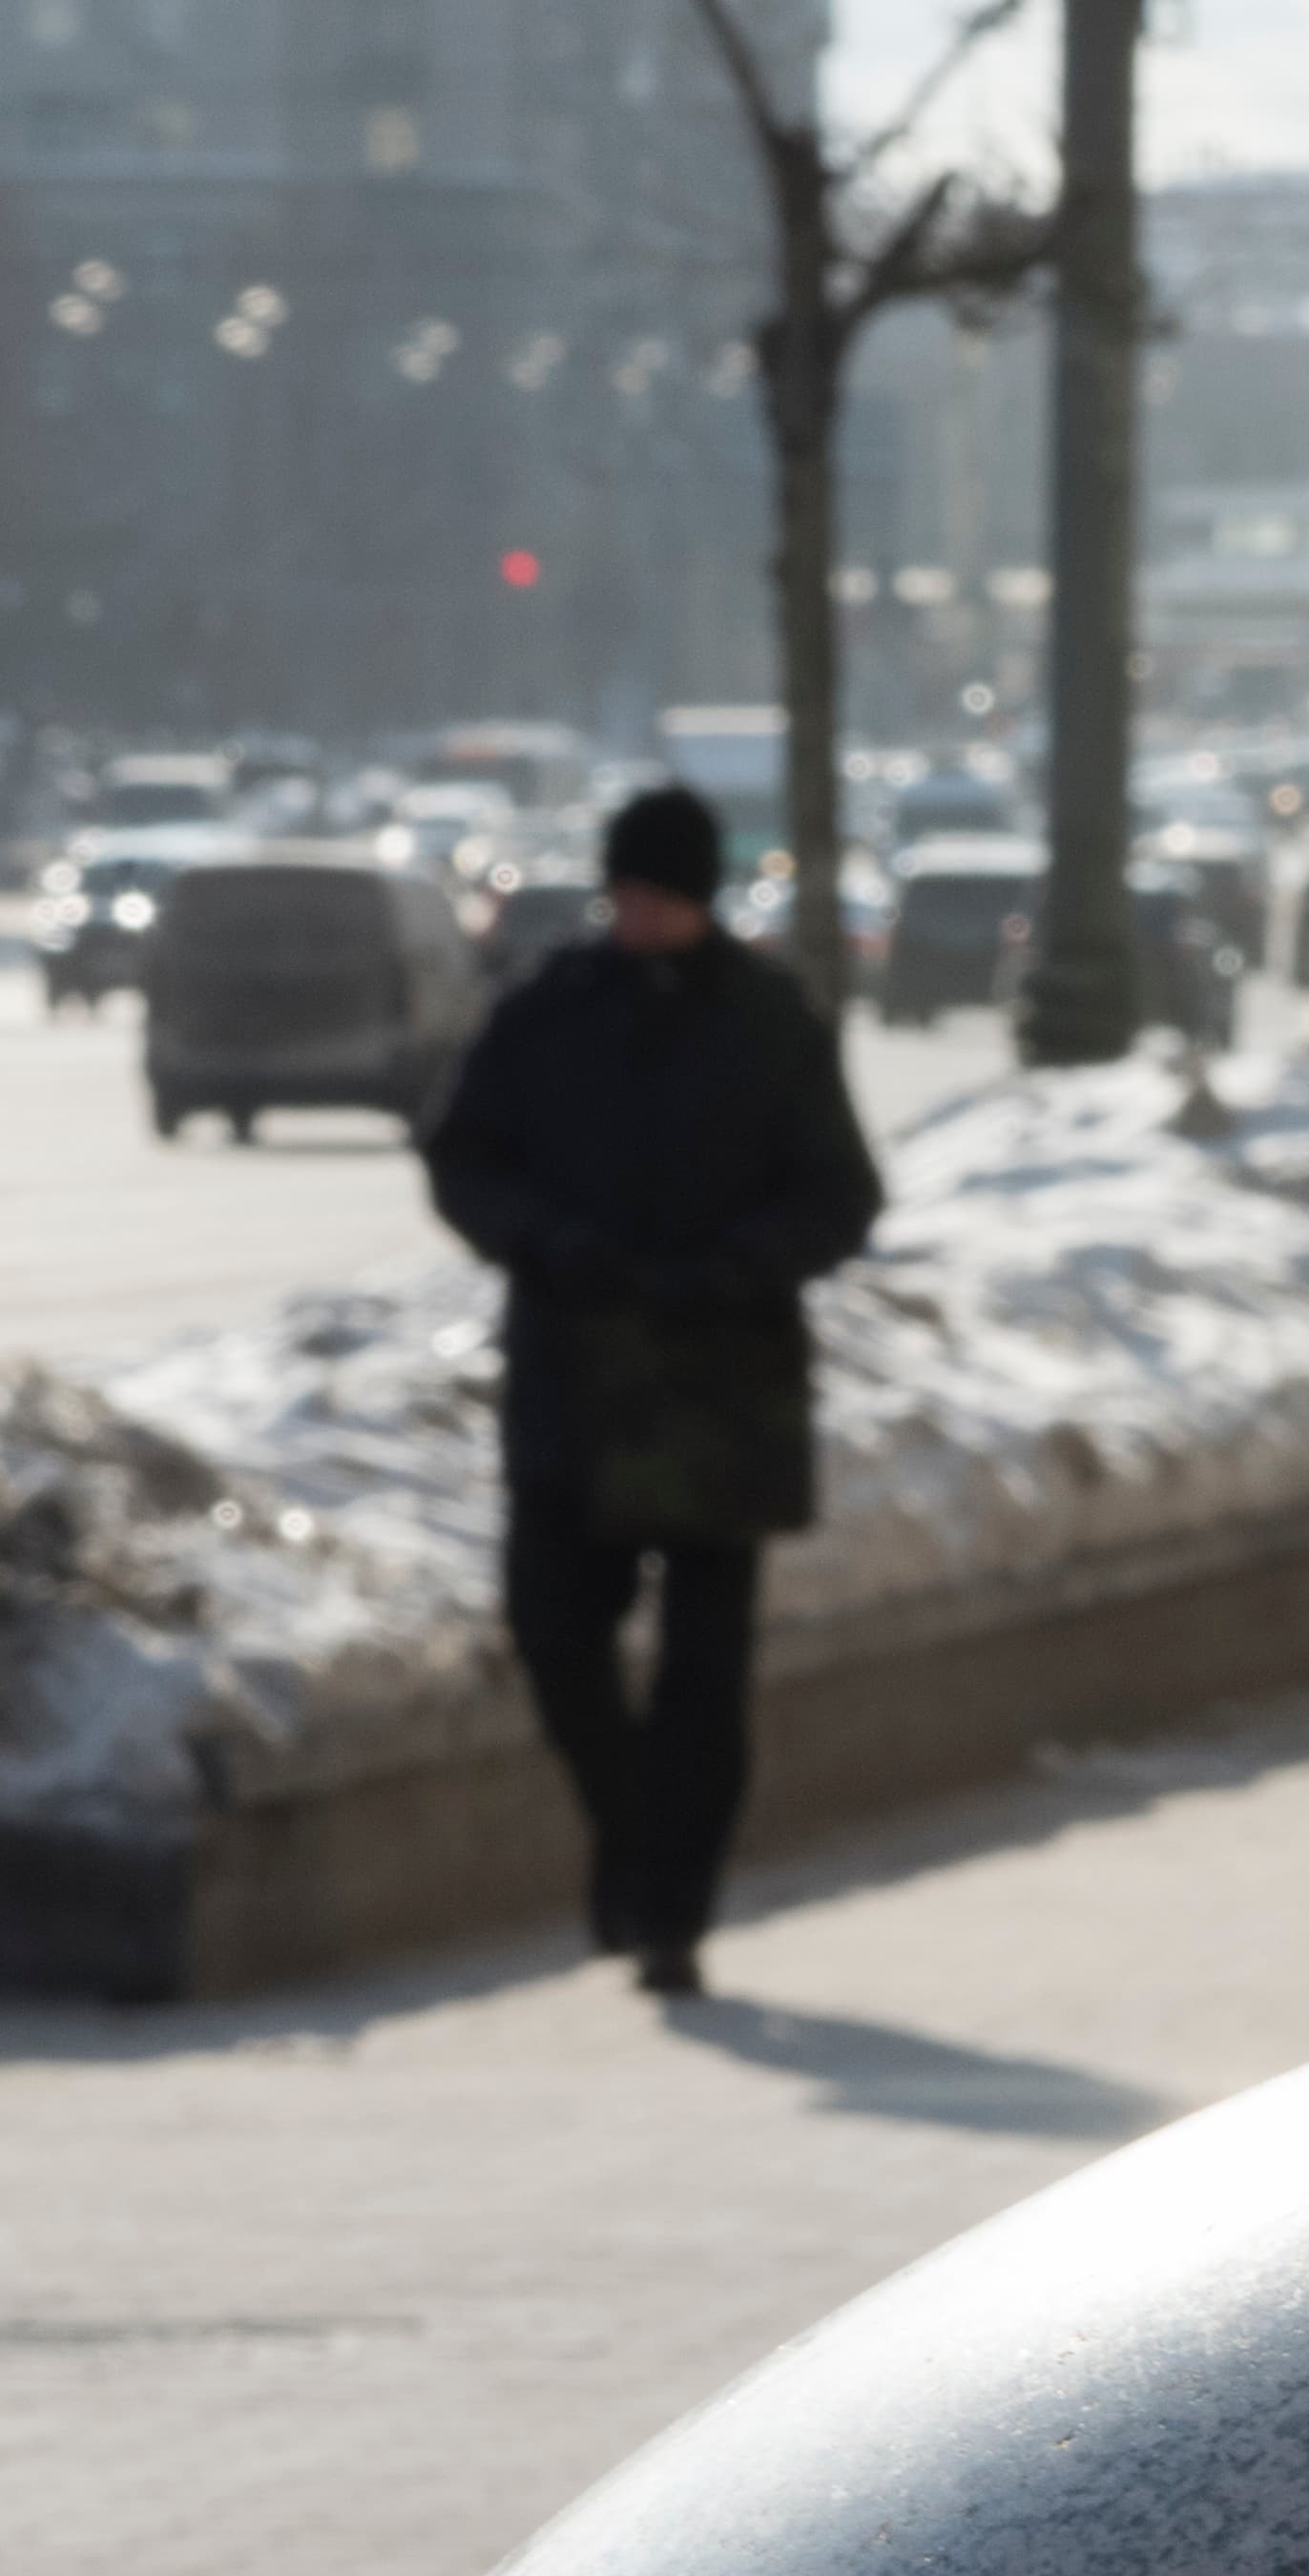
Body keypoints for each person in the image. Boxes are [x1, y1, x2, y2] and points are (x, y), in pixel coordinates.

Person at [419, 781, 883, 2000]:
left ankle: (672, 1910)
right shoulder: (549, 1011)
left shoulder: (768, 1019)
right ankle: (629, 1832)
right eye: (626, 895)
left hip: (722, 1392)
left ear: (701, 899)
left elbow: (841, 1193)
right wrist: (547, 1245)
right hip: (574, 1377)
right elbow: (463, 1155)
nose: (640, 918)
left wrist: (736, 1266)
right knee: (552, 1631)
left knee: (703, 1673)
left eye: (661, 899)